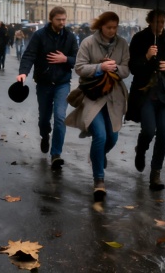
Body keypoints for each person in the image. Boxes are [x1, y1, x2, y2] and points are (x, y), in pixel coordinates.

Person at [66, 11, 130, 203]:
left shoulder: (122, 44)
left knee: (112, 137)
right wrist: (100, 68)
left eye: (115, 27)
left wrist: (115, 68)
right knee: (100, 136)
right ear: (101, 26)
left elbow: (127, 69)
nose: (112, 31)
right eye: (109, 27)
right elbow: (79, 67)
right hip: (93, 96)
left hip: (114, 97)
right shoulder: (88, 43)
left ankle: (97, 157)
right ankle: (99, 180)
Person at [127, 9, 165, 191]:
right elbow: (132, 67)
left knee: (163, 134)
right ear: (149, 21)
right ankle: (141, 150)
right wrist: (147, 57)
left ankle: (155, 172)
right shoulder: (139, 39)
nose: (160, 26)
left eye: (162, 22)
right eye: (157, 22)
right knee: (149, 130)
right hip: (145, 93)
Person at [17, 7, 79, 167]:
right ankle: (45, 135)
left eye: (64, 19)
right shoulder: (40, 35)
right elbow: (29, 54)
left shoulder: (70, 37)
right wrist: (23, 73)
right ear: (51, 19)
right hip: (44, 83)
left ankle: (56, 153)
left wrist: (66, 59)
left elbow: (78, 59)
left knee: (60, 117)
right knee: (44, 118)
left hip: (62, 83)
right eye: (59, 19)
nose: (62, 22)